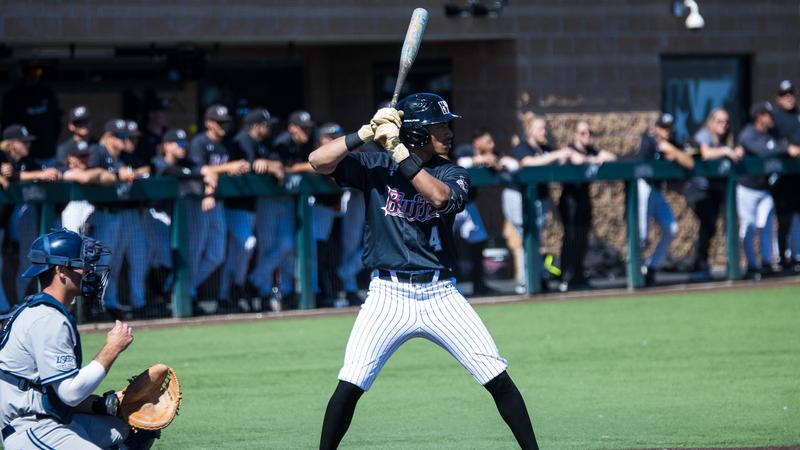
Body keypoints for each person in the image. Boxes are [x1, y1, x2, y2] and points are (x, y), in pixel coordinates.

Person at [310, 93, 539, 450]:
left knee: (496, 376)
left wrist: (398, 151)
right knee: (351, 382)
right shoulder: (375, 166)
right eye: (439, 126)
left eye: (447, 125)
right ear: (417, 133)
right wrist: (365, 132)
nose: (448, 132)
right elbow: (318, 161)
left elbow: (439, 198)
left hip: (440, 294)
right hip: (387, 295)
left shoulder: (452, 172)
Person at [0, 229, 160, 449]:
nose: (88, 271)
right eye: (82, 264)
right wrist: (112, 348)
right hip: (32, 427)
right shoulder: (47, 320)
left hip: (52, 418)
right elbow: (70, 392)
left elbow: (52, 393)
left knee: (135, 431)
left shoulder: (43, 311)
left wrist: (106, 404)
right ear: (60, 270)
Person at [249, 110, 317, 310]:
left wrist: (296, 168)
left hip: (287, 199)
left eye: (308, 128)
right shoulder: (280, 142)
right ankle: (263, 291)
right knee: (268, 246)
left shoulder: (305, 144)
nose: (306, 132)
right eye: (302, 128)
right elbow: (274, 166)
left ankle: (270, 285)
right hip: (269, 198)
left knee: (288, 245)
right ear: (292, 128)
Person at [85, 119, 151, 320]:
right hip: (98, 212)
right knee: (103, 263)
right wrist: (116, 174)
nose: (125, 140)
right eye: (121, 136)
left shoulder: (121, 158)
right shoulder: (98, 152)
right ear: (110, 137)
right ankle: (96, 307)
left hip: (117, 215)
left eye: (126, 136)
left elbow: (144, 170)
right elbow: (88, 173)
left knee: (112, 263)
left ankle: (110, 304)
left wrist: (127, 172)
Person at [189, 104, 250, 312]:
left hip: (218, 203)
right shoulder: (199, 142)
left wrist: (236, 169)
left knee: (217, 255)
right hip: (198, 203)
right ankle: (185, 294)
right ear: (208, 123)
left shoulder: (227, 145)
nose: (224, 126)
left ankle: (187, 288)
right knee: (195, 251)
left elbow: (224, 170)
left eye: (226, 122)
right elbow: (199, 170)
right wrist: (228, 167)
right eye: (219, 122)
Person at [221, 108, 282, 311]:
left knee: (237, 251)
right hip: (234, 205)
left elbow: (273, 164)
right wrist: (266, 165)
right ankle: (234, 288)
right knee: (246, 244)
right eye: (266, 125)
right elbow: (248, 166)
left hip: (249, 206)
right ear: (256, 126)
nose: (269, 128)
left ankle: (229, 293)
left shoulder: (260, 143)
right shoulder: (242, 140)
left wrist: (271, 164)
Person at [504, 117, 571, 293]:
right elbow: (527, 162)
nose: (544, 132)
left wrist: (565, 155)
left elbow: (562, 159)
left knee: (534, 238)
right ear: (530, 131)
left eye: (545, 128)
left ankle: (538, 277)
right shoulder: (522, 147)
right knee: (527, 237)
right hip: (518, 197)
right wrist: (555, 155)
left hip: (539, 199)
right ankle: (527, 280)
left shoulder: (545, 149)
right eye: (540, 129)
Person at [737, 101, 800, 279]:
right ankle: (751, 265)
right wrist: (785, 148)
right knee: (748, 226)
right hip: (748, 188)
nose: (772, 118)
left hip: (764, 188)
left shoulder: (771, 133)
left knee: (766, 226)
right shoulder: (748, 133)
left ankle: (766, 263)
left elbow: (781, 144)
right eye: (768, 115)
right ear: (759, 117)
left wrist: (784, 146)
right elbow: (763, 150)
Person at [0, 124, 62, 303]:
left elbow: (39, 173)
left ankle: (11, 305)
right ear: (12, 143)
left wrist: (47, 173)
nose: (28, 144)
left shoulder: (27, 161)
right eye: (24, 141)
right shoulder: (2, 156)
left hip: (6, 221)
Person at [454, 128, 516, 295]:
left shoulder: (493, 154)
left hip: (468, 204)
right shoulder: (465, 150)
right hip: (450, 205)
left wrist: (499, 163)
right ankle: (449, 283)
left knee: (479, 239)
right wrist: (480, 159)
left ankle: (478, 284)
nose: (492, 145)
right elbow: (458, 163)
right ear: (477, 142)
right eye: (488, 141)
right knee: (445, 242)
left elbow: (513, 165)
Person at [556, 122, 616, 292]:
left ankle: (579, 276)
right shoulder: (569, 149)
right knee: (571, 237)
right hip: (570, 200)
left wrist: (597, 158)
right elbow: (574, 159)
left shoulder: (591, 150)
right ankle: (566, 276)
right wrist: (593, 160)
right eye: (583, 133)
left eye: (589, 133)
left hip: (584, 199)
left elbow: (611, 157)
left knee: (582, 238)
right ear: (575, 135)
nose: (587, 136)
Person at [637, 113, 694, 286]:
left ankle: (651, 267)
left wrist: (673, 151)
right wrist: (664, 151)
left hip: (656, 190)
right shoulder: (648, 141)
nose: (666, 131)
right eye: (663, 128)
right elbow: (643, 165)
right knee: (642, 234)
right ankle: (635, 270)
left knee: (671, 228)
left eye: (669, 128)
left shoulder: (672, 141)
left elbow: (689, 163)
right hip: (643, 187)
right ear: (656, 128)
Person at [685, 108, 743, 279]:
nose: (724, 125)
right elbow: (706, 153)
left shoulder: (724, 138)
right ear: (711, 122)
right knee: (708, 224)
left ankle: (703, 263)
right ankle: (699, 264)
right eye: (719, 121)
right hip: (698, 189)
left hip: (715, 189)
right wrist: (726, 151)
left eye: (726, 121)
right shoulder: (704, 134)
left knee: (714, 226)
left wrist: (735, 151)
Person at [1, 63, 61, 160]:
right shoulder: (14, 95)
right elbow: (8, 125)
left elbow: (56, 120)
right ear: (24, 73)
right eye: (31, 72)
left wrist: (52, 139)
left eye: (38, 72)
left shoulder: (47, 92)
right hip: (26, 154)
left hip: (49, 151)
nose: (34, 75)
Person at [770, 80, 800, 274]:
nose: (788, 97)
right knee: (784, 220)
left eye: (790, 93)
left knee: (797, 221)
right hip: (782, 177)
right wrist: (787, 148)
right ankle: (782, 257)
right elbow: (770, 141)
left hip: (798, 177)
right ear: (778, 98)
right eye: (784, 94)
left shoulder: (798, 116)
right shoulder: (775, 118)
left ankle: (796, 257)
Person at [136, 97, 170, 164]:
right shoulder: (142, 137)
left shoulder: (169, 135)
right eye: (162, 112)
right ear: (151, 114)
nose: (166, 115)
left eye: (166, 112)